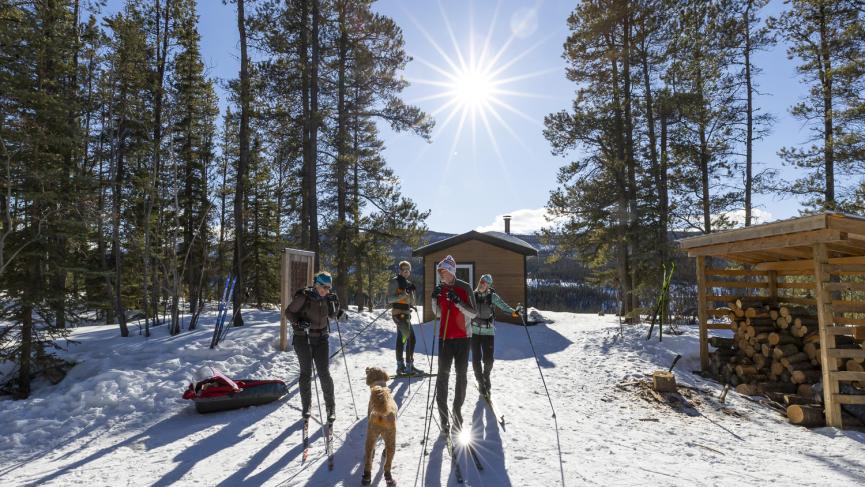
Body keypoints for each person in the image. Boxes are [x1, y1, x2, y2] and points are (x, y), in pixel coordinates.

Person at [285, 271, 343, 423]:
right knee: (306, 373)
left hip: (321, 338)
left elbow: (333, 315)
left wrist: (336, 303)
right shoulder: (304, 296)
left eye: (328, 287)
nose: (325, 290)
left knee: (324, 373)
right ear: (316, 284)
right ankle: (306, 406)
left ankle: (331, 407)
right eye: (323, 286)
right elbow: (288, 312)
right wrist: (298, 323)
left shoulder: (327, 298)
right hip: (303, 338)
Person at [431, 255, 476, 433]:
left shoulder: (464, 287)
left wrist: (458, 302)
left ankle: (457, 413)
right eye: (440, 271)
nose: (441, 274)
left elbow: (473, 313)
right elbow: (438, 314)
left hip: (463, 338)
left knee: (461, 376)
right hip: (444, 339)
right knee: (442, 378)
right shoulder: (440, 289)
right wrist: (434, 300)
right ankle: (444, 419)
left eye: (444, 271)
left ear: (451, 271)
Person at [471, 274, 522, 397]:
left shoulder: (492, 296)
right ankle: (480, 381)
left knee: (488, 360)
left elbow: (504, 307)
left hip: (488, 332)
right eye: (482, 281)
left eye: (486, 283)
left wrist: (514, 313)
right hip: (474, 332)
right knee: (476, 359)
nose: (483, 284)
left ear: (489, 285)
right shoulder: (473, 295)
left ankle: (486, 376)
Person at [386, 260, 424, 376]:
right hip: (398, 313)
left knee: (401, 339)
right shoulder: (394, 282)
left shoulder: (407, 283)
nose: (407, 272)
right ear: (400, 270)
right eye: (404, 270)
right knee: (411, 338)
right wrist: (404, 293)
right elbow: (390, 299)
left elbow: (409, 299)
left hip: (406, 313)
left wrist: (412, 301)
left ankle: (401, 366)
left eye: (408, 270)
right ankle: (408, 366)